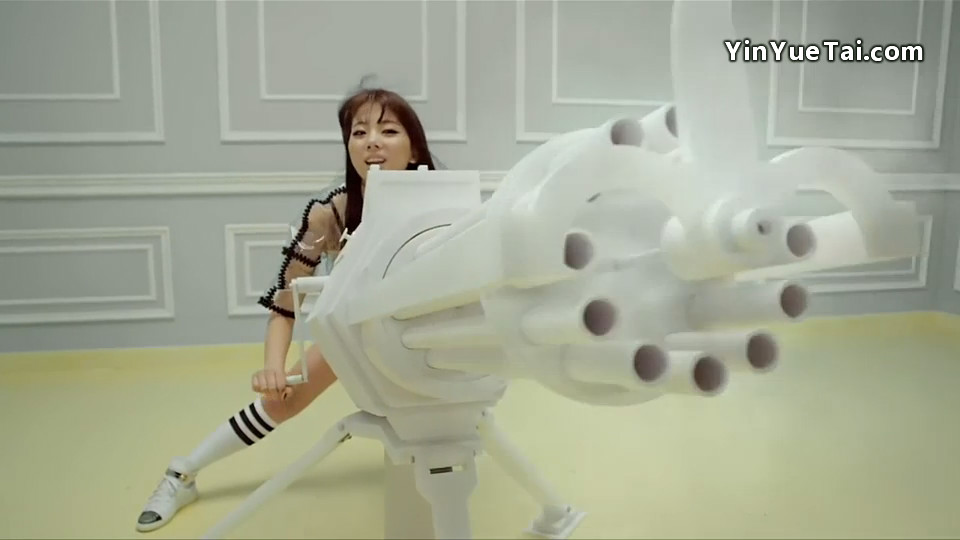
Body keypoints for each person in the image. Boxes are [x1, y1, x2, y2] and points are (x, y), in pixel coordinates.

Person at [135, 87, 437, 532]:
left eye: (388, 131)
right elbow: (286, 301)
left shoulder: (446, 204)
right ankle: (183, 473)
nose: (372, 141)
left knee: (450, 418)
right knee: (282, 402)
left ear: (414, 149)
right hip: (358, 334)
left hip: (424, 338)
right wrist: (273, 367)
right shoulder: (330, 215)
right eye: (359, 132)